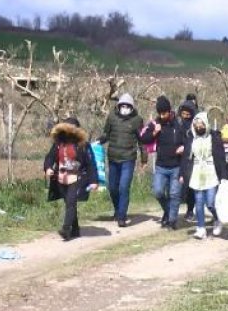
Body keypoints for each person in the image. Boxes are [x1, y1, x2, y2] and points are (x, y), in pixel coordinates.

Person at [44, 117, 99, 241]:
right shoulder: (58, 144)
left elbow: (91, 163)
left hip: (77, 177)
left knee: (70, 202)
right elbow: (50, 158)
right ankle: (75, 228)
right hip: (61, 178)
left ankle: (66, 229)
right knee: (69, 204)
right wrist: (48, 168)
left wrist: (94, 180)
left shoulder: (83, 145)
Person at [180, 112, 228, 239]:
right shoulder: (191, 139)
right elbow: (185, 158)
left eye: (201, 124)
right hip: (196, 172)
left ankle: (218, 219)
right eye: (196, 124)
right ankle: (201, 228)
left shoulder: (214, 138)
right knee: (199, 202)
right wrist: (182, 174)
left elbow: (221, 158)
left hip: (211, 171)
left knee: (211, 202)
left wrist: (224, 176)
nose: (199, 127)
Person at [139, 96, 185, 229]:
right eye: (160, 113)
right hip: (161, 166)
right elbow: (143, 139)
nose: (162, 115)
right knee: (158, 192)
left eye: (164, 112)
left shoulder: (178, 125)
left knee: (174, 194)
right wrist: (154, 132)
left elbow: (187, 141)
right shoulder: (155, 124)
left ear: (169, 111)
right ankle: (168, 211)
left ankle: (172, 221)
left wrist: (184, 148)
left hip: (176, 165)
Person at [100, 93, 145, 227]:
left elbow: (142, 141)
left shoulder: (137, 120)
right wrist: (97, 142)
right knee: (113, 188)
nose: (125, 108)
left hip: (128, 158)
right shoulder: (112, 118)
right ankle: (117, 209)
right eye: (122, 106)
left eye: (127, 106)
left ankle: (122, 216)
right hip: (113, 157)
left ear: (132, 107)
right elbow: (106, 134)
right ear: (118, 106)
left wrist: (144, 158)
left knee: (123, 187)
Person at [177, 98, 198, 221]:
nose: (185, 116)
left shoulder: (194, 126)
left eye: (188, 114)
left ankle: (190, 210)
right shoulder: (177, 124)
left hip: (190, 159)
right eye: (183, 114)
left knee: (190, 187)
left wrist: (185, 147)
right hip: (177, 159)